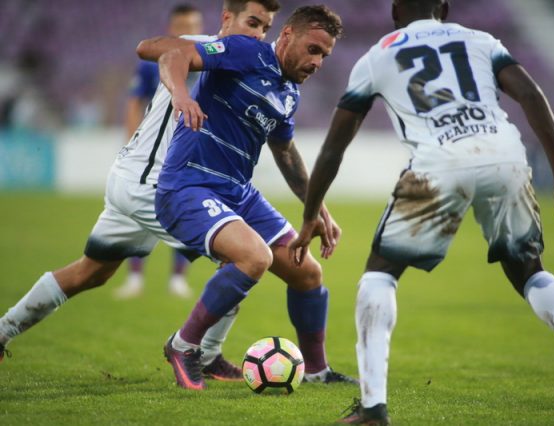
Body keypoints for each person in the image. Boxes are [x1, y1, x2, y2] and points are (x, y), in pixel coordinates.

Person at [289, 0, 554, 423]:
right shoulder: (480, 40)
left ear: (396, 11)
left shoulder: (378, 54)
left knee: (379, 274)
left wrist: (310, 215)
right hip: (505, 156)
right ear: (445, 8)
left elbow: (334, 146)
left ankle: (373, 408)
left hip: (439, 163)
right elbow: (530, 94)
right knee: (530, 270)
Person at [0, 0, 281, 383]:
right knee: (242, 258)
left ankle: (2, 331)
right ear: (226, 18)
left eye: (265, 28)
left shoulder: (246, 65)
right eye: (252, 22)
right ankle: (203, 352)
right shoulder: (197, 48)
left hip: (138, 179)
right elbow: (148, 47)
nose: (258, 34)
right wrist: (182, 94)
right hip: (152, 183)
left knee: (90, 273)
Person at [136, 5, 356, 390]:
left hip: (238, 191)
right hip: (189, 184)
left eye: (324, 55)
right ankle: (184, 345)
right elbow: (174, 54)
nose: (317, 62)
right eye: (313, 49)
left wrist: (318, 210)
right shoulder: (245, 51)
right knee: (255, 257)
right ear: (286, 36)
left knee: (307, 273)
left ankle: (318, 371)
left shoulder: (288, 93)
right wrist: (182, 96)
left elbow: (285, 153)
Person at [116, 3, 205, 299]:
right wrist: (131, 142)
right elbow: (134, 101)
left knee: (186, 211)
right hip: (154, 150)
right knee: (140, 211)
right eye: (181, 26)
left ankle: (178, 279)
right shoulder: (150, 62)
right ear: (171, 28)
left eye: (192, 26)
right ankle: (134, 277)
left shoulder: (209, 57)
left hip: (191, 151)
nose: (187, 32)